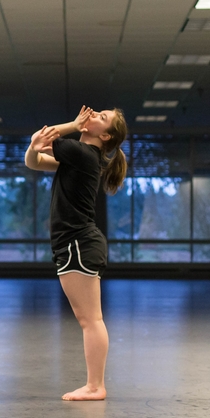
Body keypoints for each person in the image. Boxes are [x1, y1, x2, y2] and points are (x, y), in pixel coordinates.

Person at [26, 106, 128, 402]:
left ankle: (95, 386)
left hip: (78, 244)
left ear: (105, 135)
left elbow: (38, 138)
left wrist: (73, 123)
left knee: (91, 320)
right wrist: (37, 146)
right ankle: (94, 385)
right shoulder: (78, 158)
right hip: (77, 243)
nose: (94, 114)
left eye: (102, 117)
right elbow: (33, 158)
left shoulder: (82, 154)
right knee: (91, 319)